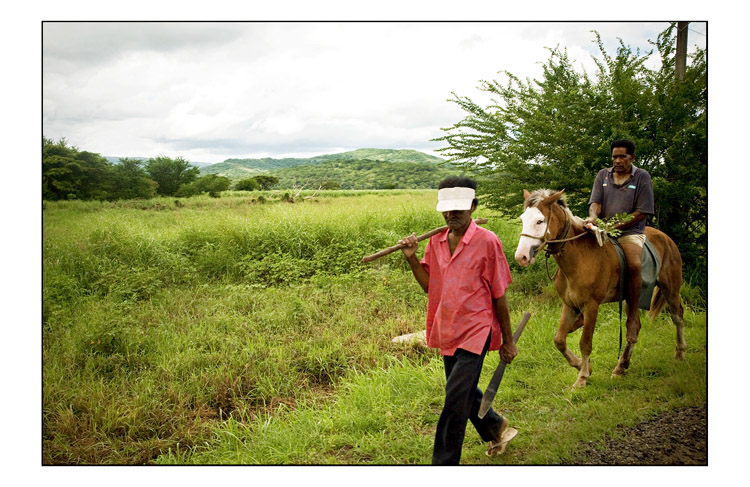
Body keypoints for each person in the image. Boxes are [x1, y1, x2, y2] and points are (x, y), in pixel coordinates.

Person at [398, 176, 518, 465]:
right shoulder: (436, 242)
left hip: (477, 329)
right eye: (447, 211)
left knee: (454, 400)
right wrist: (412, 259)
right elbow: (430, 287)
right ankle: (496, 427)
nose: (451, 216)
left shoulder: (488, 242)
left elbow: (499, 294)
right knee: (460, 390)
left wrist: (508, 340)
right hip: (449, 326)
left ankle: (444, 464)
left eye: (458, 211)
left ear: (473, 207)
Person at [583, 139, 655, 344]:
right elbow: (595, 202)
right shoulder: (603, 175)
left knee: (633, 264)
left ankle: (633, 313)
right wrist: (593, 217)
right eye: (614, 156)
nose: (617, 160)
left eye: (622, 156)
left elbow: (642, 212)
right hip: (603, 228)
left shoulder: (641, 177)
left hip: (630, 232)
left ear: (632, 157)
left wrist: (615, 226)